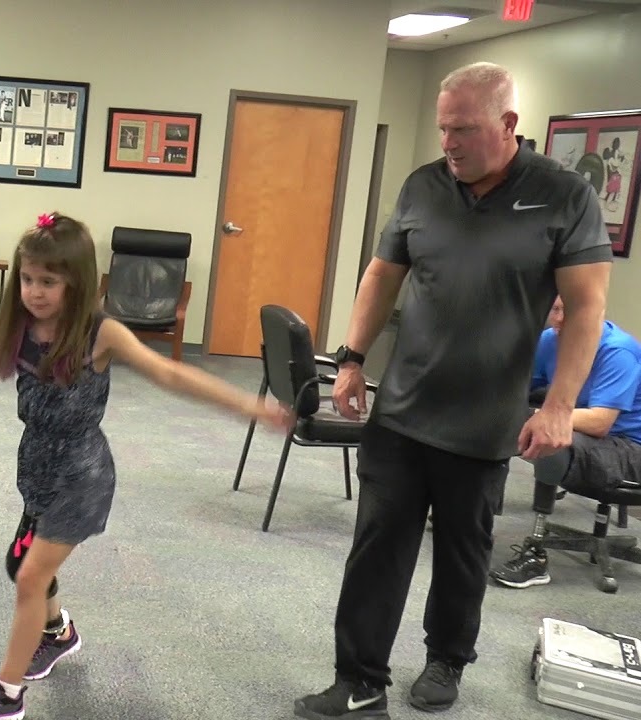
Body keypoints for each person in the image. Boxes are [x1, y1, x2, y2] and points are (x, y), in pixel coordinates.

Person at [293, 61, 612, 720]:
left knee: (463, 555)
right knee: (376, 548)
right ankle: (359, 681)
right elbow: (382, 274)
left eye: (464, 129)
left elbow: (586, 308)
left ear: (508, 125)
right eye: (444, 129)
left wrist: (558, 407)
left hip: (485, 420)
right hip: (403, 407)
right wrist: (351, 359)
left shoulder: (563, 196)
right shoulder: (423, 186)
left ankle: (446, 661)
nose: (450, 143)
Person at [0, 212, 290, 720]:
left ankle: (6, 695)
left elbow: (170, 375)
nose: (35, 292)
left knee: (30, 579)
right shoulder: (22, 328)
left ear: (77, 282)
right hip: (37, 466)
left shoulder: (99, 334)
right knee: (20, 565)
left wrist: (248, 406)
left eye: (49, 282)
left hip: (82, 477)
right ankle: (58, 633)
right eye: (30, 280)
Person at [491, 296, 641, 589]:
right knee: (501, 417)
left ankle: (536, 555)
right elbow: (518, 388)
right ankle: (478, 518)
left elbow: (600, 422)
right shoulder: (551, 340)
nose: (557, 320)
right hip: (592, 440)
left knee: (551, 436)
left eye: (567, 312)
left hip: (630, 450)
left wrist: (540, 416)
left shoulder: (617, 351)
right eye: (555, 310)